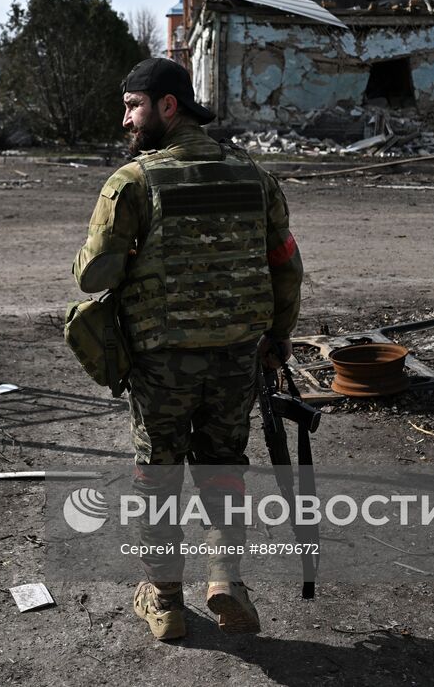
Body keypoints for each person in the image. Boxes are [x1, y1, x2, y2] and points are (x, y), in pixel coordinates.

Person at [72, 57, 303, 641]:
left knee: (157, 476)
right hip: (238, 357)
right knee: (224, 466)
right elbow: (287, 267)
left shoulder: (133, 182)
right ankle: (225, 579)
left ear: (168, 106)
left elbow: (94, 274)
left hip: (162, 364)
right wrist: (278, 338)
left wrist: (118, 256)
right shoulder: (255, 176)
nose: (126, 119)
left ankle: (166, 602)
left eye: (133, 106)